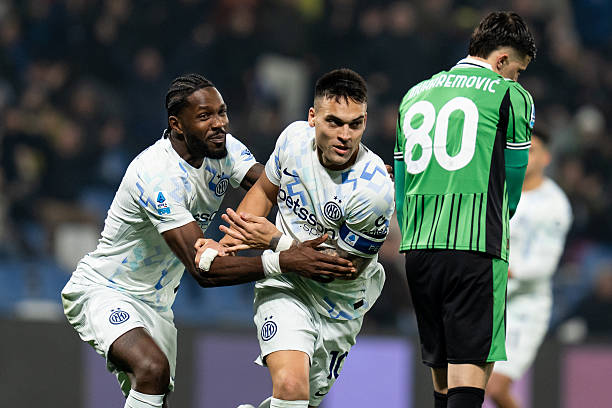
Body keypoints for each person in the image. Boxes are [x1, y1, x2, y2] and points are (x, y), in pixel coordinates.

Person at [60, 73, 356, 408]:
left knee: (154, 390)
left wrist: (350, 180)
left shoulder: (224, 149)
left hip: (158, 304)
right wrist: (285, 260)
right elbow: (204, 271)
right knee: (152, 368)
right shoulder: (156, 175)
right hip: (106, 289)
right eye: (205, 116)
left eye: (222, 112)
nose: (219, 123)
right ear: (177, 125)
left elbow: (276, 186)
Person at [217, 68, 395, 408]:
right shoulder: (293, 140)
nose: (345, 135)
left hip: (338, 306)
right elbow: (265, 191)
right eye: (334, 122)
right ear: (312, 117)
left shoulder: (373, 191)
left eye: (355, 124)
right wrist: (225, 247)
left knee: (299, 403)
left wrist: (277, 242)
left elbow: (346, 269)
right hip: (286, 284)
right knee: (290, 386)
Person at [394, 11, 537, 408]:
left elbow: (402, 187)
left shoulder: (415, 94)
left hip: (419, 250)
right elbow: (511, 185)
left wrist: (415, 230)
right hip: (475, 248)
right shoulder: (511, 96)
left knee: (442, 382)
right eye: (518, 70)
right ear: (502, 60)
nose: (517, 79)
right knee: (469, 381)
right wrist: (496, 221)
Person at [485, 130, 572, 407]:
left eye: (532, 150)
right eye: (521, 149)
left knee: (496, 387)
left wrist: (503, 269)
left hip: (525, 306)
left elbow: (545, 265)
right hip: (488, 299)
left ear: (546, 158)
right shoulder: (498, 189)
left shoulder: (554, 204)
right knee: (468, 380)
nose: (525, 156)